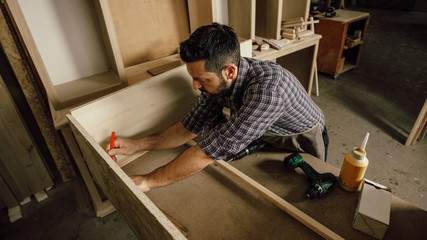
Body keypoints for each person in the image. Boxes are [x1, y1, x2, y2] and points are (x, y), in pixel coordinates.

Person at [106, 23, 328, 192]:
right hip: (268, 130)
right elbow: (187, 128)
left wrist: (148, 180)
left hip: (302, 135)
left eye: (201, 80)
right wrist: (138, 145)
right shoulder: (218, 84)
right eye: (193, 78)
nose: (195, 86)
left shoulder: (269, 91)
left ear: (229, 71)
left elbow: (206, 152)